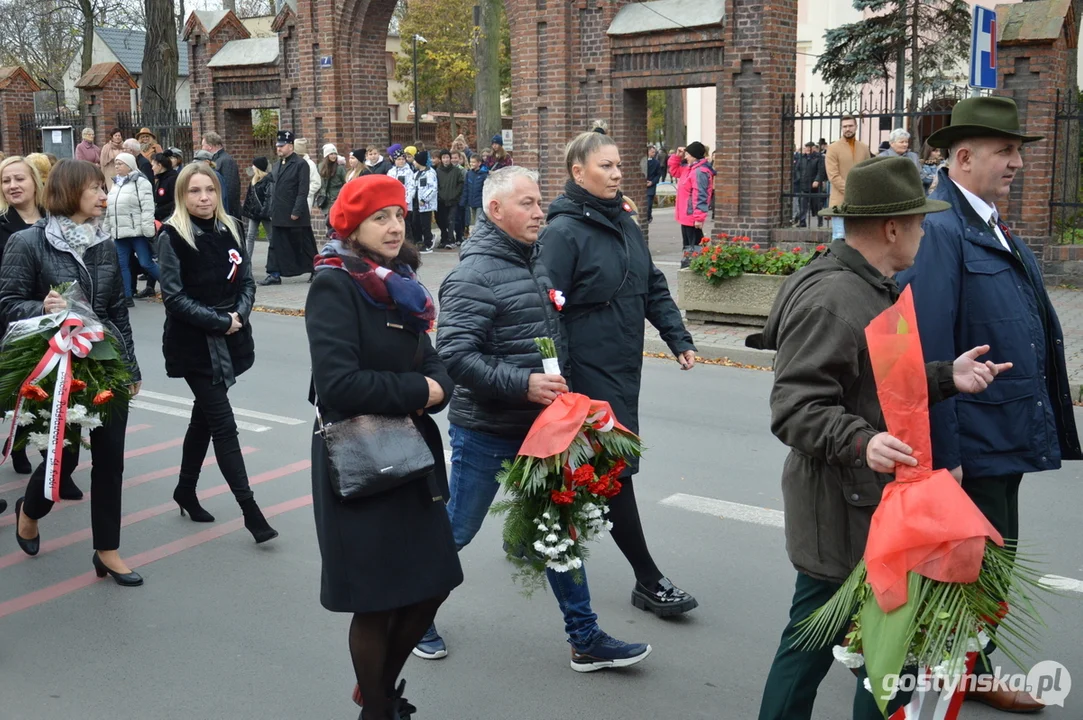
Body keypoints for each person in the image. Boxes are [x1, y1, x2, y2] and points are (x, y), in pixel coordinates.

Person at [754, 155, 1011, 720]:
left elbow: (879, 382)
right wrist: (861, 441)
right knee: (826, 647)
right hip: (841, 509)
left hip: (873, 503)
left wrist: (946, 376)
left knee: (875, 648)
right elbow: (794, 407)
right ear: (892, 227)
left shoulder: (871, 286)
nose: (924, 231)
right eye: (918, 221)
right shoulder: (833, 298)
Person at [423, 165, 652, 672]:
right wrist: (522, 384)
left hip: (541, 430)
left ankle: (585, 637)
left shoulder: (534, 264)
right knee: (457, 530)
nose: (538, 211)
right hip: (485, 429)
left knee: (559, 529)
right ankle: (412, 614)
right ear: (495, 210)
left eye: (539, 201)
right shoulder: (470, 276)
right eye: (526, 203)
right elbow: (456, 356)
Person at [897, 96, 1080, 714]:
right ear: (965, 156)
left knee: (987, 563)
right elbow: (932, 350)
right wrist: (945, 455)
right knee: (975, 566)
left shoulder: (987, 221)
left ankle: (955, 663)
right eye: (1007, 151)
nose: (1018, 164)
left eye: (1018, 151)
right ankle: (969, 670)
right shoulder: (943, 229)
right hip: (973, 441)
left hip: (1002, 428)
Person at [306, 174, 461, 720]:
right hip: (360, 460)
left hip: (412, 459)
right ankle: (377, 706)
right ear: (352, 224)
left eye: (398, 214)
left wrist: (435, 387)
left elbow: (432, 359)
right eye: (380, 217)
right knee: (375, 601)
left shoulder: (400, 281)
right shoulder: (335, 284)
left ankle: (377, 683)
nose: (396, 226)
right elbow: (338, 384)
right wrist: (421, 390)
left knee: (432, 584)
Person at [541, 131, 699, 617]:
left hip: (622, 365)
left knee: (573, 473)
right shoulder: (562, 233)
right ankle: (648, 580)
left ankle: (536, 539)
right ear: (578, 173)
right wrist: (559, 378)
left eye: (617, 166)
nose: (615, 174)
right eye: (604, 167)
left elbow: (650, 283)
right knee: (613, 472)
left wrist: (679, 339)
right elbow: (548, 310)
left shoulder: (625, 222)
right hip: (586, 373)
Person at [0, 159, 143, 586]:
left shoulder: (103, 241)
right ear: (69, 191)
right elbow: (7, 304)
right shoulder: (28, 242)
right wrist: (39, 308)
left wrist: (131, 367)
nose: (105, 196)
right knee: (63, 463)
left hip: (104, 361)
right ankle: (30, 511)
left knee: (111, 460)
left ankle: (107, 550)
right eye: (97, 189)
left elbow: (118, 310)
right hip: (55, 364)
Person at [157, 163, 278, 544]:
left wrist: (238, 315)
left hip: (231, 338)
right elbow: (174, 297)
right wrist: (218, 321)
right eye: (194, 191)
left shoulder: (231, 227)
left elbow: (246, 282)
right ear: (182, 195)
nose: (204, 197)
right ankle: (250, 511)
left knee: (204, 419)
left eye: (209, 189)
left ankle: (185, 489)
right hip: (194, 345)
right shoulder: (173, 236)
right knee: (223, 425)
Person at [0, 156, 46, 478]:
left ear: (35, 182)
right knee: (12, 390)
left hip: (50, 320)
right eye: (6, 181)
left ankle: (52, 461)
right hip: (9, 321)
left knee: (43, 389)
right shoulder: (2, 225)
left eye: (19, 179)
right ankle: (19, 448)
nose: (13, 186)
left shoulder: (53, 220)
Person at [261, 130, 318, 285]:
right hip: (279, 212)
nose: (278, 148)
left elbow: (303, 190)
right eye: (277, 145)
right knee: (275, 245)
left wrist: (297, 210)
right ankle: (274, 273)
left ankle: (316, 270)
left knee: (304, 244)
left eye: (282, 145)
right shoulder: (277, 165)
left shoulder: (300, 164)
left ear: (291, 146)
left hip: (295, 213)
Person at [105, 153, 160, 305]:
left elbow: (148, 207)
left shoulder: (141, 182)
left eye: (120, 163)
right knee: (122, 264)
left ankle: (173, 286)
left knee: (145, 263)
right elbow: (110, 208)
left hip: (137, 231)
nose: (116, 166)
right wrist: (106, 228)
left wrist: (148, 228)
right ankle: (127, 296)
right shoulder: (116, 184)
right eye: (116, 163)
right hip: (119, 232)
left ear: (129, 165)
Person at [667, 141, 715, 268]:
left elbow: (701, 195)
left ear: (694, 156)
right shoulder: (689, 168)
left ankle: (693, 265)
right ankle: (690, 263)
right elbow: (674, 171)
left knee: (695, 244)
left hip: (691, 215)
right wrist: (676, 156)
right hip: (686, 215)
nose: (685, 156)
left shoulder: (700, 172)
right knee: (690, 243)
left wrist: (699, 217)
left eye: (687, 154)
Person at [825, 115, 872, 241]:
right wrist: (851, 191)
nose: (847, 129)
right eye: (844, 126)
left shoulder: (863, 147)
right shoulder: (833, 148)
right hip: (840, 201)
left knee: (858, 238)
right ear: (841, 128)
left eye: (850, 126)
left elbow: (868, 171)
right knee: (840, 238)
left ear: (856, 127)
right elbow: (833, 176)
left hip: (859, 202)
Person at [202, 132, 240, 216]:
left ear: (210, 146)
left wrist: (224, 210)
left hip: (227, 210)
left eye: (203, 145)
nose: (202, 148)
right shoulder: (217, 159)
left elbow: (230, 188)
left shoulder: (226, 160)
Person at [242, 156, 274, 257]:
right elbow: (250, 198)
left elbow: (269, 198)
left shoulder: (268, 180)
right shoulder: (254, 180)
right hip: (255, 213)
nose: (252, 167)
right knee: (250, 236)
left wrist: (264, 212)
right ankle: (247, 262)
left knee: (271, 237)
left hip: (264, 213)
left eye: (254, 165)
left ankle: (274, 260)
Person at [792, 142, 826, 228]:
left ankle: (820, 222)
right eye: (806, 147)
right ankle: (802, 222)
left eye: (809, 147)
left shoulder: (819, 157)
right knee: (803, 205)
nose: (807, 149)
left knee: (817, 205)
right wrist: (799, 178)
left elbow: (821, 170)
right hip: (804, 184)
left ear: (814, 148)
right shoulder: (802, 157)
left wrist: (817, 180)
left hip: (815, 185)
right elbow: (797, 169)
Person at [435, 149, 463, 249]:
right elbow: (436, 184)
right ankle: (444, 238)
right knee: (442, 220)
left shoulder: (456, 171)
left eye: (447, 157)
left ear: (450, 158)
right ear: (441, 159)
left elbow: (460, 183)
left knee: (451, 220)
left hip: (453, 200)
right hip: (441, 200)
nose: (446, 160)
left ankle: (451, 240)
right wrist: (439, 194)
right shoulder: (438, 171)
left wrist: (456, 194)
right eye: (443, 158)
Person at [410, 150, 437, 253]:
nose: (413, 163)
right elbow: (413, 187)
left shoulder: (430, 173)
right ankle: (419, 241)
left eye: (415, 161)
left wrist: (424, 199)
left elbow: (433, 188)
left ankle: (428, 243)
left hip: (425, 204)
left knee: (425, 224)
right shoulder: (416, 174)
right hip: (416, 203)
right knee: (416, 222)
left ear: (420, 161)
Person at [458, 155, 486, 241]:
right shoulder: (469, 174)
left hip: (480, 202)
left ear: (479, 163)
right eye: (471, 162)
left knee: (478, 220)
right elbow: (466, 188)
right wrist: (463, 201)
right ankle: (478, 236)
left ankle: (478, 238)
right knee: (474, 220)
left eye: (474, 162)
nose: (472, 164)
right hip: (471, 201)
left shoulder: (484, 174)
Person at [293, 138, 322, 211]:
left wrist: (303, 193)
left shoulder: (310, 165)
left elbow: (316, 183)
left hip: (305, 200)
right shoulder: (292, 164)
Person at [151, 151, 179, 224]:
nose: (152, 168)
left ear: (159, 166)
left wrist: (158, 211)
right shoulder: (160, 179)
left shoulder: (172, 179)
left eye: (153, 165)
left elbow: (176, 201)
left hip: (170, 219)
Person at [317, 144, 347, 212]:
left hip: (336, 199)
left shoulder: (340, 168)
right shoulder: (320, 167)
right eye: (331, 154)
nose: (334, 156)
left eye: (335, 154)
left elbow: (345, 183)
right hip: (325, 199)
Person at [644, 146, 663, 223]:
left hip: (651, 186)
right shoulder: (643, 161)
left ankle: (648, 217)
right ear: (648, 151)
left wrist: (652, 182)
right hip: (642, 186)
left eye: (654, 152)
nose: (654, 153)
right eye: (652, 152)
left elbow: (658, 174)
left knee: (648, 205)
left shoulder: (656, 163)